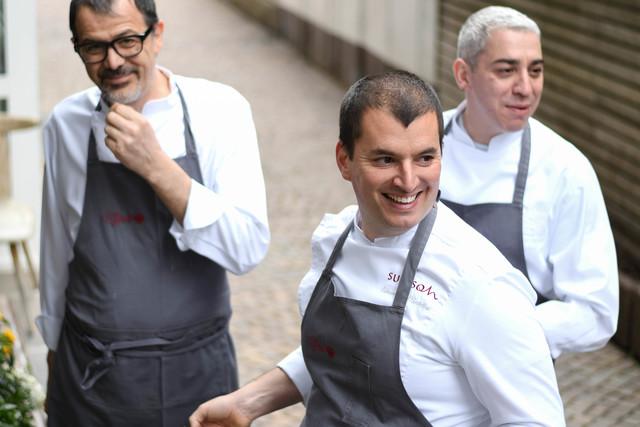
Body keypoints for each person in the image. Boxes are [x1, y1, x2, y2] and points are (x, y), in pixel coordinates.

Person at [189, 71, 565, 426]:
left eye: (425, 158)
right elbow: (341, 354)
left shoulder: (480, 284)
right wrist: (248, 402)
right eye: (386, 159)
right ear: (344, 160)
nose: (408, 181)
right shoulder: (336, 240)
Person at [38, 0, 269, 425]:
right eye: (94, 46)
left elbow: (247, 249)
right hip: (90, 383)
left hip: (196, 379)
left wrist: (157, 166)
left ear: (157, 34)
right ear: (77, 47)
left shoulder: (220, 110)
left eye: (127, 41)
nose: (113, 61)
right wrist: (53, 356)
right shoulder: (65, 124)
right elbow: (56, 253)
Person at [439, 6, 618, 360]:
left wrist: (497, 331)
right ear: (463, 74)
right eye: (506, 70)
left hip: (512, 369)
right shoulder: (418, 146)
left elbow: (595, 310)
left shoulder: (565, 169)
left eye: (535, 71)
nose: (525, 88)